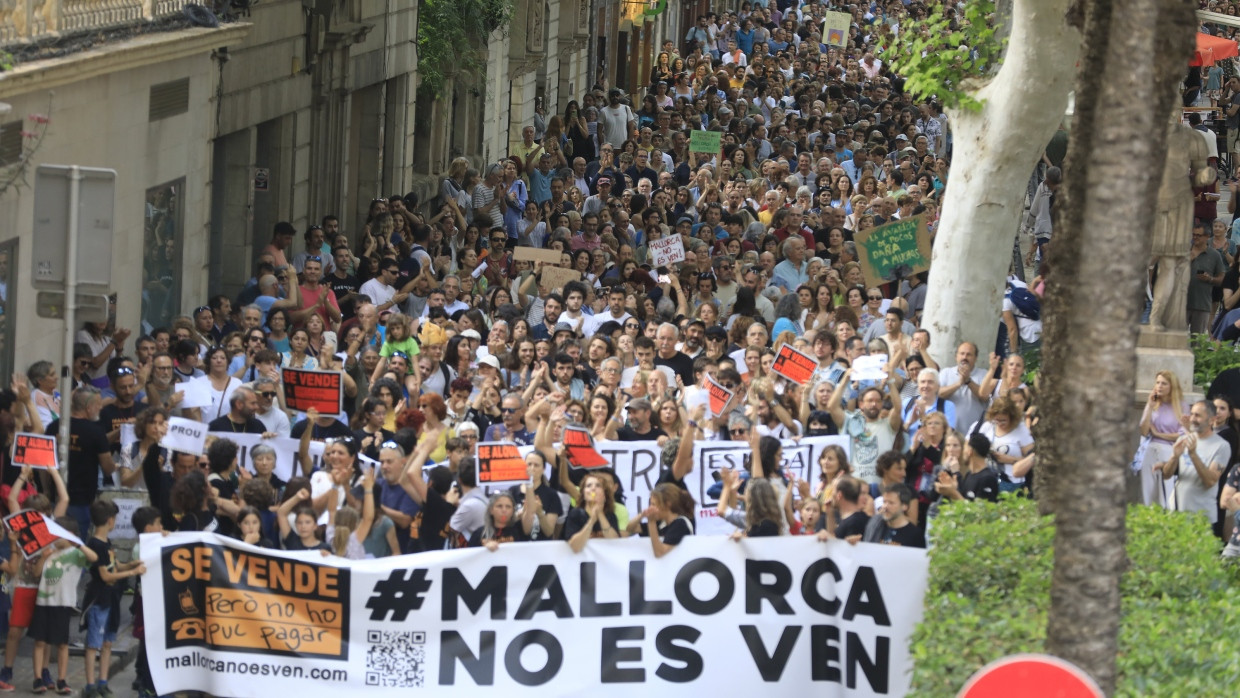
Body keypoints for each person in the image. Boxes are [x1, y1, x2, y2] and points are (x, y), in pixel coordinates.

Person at [82, 500, 144, 698]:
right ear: (110, 520)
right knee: (94, 644)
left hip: (111, 600)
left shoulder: (107, 543)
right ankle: (90, 685)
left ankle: (103, 681)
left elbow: (115, 566)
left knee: (108, 642)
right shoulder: (95, 544)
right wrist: (132, 572)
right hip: (99, 599)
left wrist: (132, 564)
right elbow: (106, 576)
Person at [30, 518, 98, 696]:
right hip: (43, 603)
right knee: (40, 642)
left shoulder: (75, 553)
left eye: (58, 535)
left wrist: (79, 544)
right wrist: (43, 558)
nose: (54, 538)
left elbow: (94, 557)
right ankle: (37, 678)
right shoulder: (48, 551)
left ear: (70, 536)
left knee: (61, 643)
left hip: (63, 603)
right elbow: (37, 574)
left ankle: (61, 679)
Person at [1161, 400, 1230, 523]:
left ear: (1211, 420)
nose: (1192, 419)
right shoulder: (1183, 439)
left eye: (1197, 416)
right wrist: (1174, 457)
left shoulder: (1222, 446)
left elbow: (1210, 481)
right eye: (1192, 414)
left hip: (1201, 518)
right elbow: (1166, 475)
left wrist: (1193, 454)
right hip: (1175, 513)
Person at [637, 483, 694, 558]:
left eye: (654, 505)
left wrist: (651, 522)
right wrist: (642, 514)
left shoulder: (680, 523)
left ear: (667, 504)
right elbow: (629, 528)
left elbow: (659, 552)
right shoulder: (661, 524)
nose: (651, 508)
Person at [862, 483, 926, 548]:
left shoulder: (915, 534)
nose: (885, 506)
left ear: (904, 506)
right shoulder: (875, 526)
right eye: (884, 502)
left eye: (891, 503)